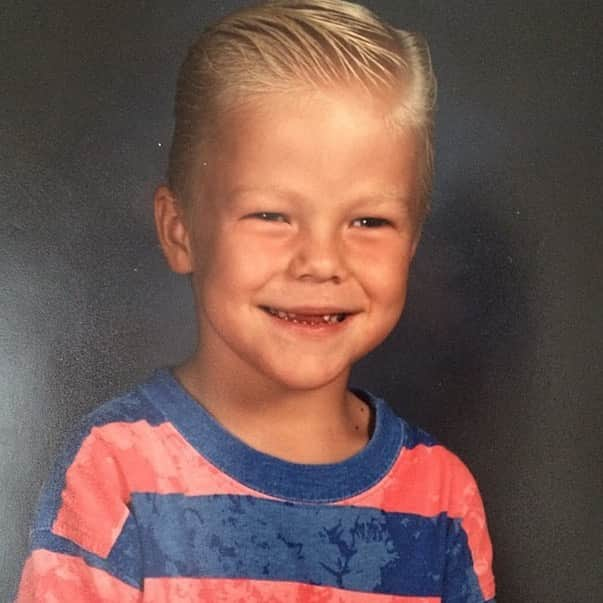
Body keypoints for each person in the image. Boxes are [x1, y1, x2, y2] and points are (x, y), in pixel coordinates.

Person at [15, 1, 495, 601]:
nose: (321, 261)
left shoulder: (442, 498)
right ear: (179, 229)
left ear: (414, 244)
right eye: (271, 215)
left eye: (369, 221)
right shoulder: (116, 471)